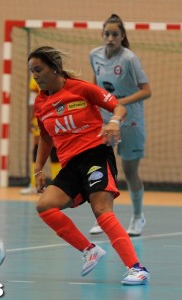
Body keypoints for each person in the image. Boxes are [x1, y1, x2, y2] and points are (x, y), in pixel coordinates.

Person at [28, 46, 150, 285]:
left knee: (102, 210)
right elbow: (45, 137)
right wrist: (38, 169)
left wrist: (114, 122)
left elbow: (119, 107)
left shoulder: (81, 89)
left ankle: (137, 268)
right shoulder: (41, 103)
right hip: (71, 165)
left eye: (39, 70)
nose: (35, 75)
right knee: (45, 206)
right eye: (32, 71)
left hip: (95, 155)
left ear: (54, 69)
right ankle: (90, 250)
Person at [89, 14, 152, 236]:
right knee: (101, 167)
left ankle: (137, 216)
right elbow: (95, 86)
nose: (110, 38)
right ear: (102, 35)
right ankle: (104, 216)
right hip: (106, 119)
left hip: (131, 118)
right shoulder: (94, 55)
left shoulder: (129, 59)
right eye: (107, 33)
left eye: (115, 34)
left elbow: (146, 90)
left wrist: (118, 103)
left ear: (122, 36)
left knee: (129, 170)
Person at [20, 77, 61, 195]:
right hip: (40, 116)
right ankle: (34, 184)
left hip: (54, 115)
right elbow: (32, 100)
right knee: (37, 149)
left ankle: (57, 185)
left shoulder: (58, 76)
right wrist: (30, 119)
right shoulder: (35, 78)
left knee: (54, 149)